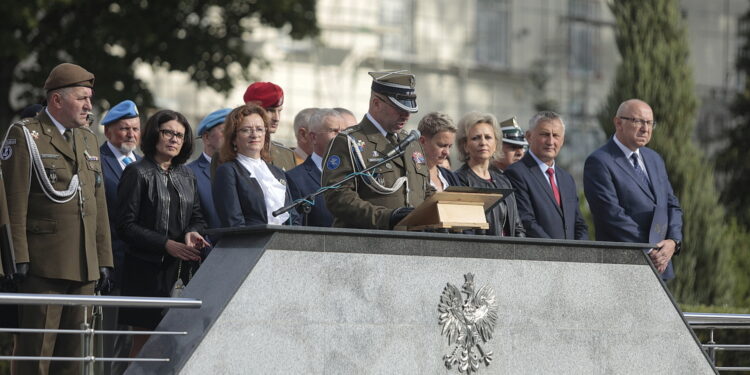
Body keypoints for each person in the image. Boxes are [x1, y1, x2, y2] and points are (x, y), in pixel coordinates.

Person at [1, 63, 113, 375]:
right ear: (57, 101)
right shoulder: (25, 135)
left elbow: (97, 205)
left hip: (84, 265)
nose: (89, 105)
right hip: (42, 266)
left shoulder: (88, 139)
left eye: (90, 98)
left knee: (74, 361)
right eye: (82, 98)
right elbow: (12, 202)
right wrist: (15, 258)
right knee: (36, 357)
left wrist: (103, 259)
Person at [117, 109, 209, 357]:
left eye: (180, 135)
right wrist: (165, 244)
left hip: (180, 271)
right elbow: (125, 226)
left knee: (177, 346)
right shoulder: (137, 172)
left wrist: (192, 233)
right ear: (154, 134)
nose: (174, 139)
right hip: (145, 272)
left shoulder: (187, 175)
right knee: (144, 347)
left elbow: (199, 218)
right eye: (168, 132)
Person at [584, 99, 682, 281]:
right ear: (618, 123)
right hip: (623, 268)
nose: (645, 128)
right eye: (638, 121)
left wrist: (672, 242)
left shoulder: (655, 159)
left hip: (660, 266)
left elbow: (672, 204)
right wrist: (651, 249)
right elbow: (611, 215)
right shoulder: (599, 162)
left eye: (650, 123)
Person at [321, 70, 434, 229]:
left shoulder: (412, 143)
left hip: (413, 243)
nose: (406, 115)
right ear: (376, 103)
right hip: (368, 243)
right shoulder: (348, 141)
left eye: (409, 110)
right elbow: (338, 197)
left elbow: (424, 191)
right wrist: (387, 218)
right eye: (399, 108)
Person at [99, 99, 141, 374]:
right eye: (124, 128)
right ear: (108, 133)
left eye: (135, 128)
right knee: (105, 341)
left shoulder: (144, 163)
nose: (130, 134)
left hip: (140, 265)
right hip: (110, 263)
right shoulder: (96, 163)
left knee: (131, 341)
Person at [505, 111, 588, 240]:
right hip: (540, 256)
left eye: (556, 135)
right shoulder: (516, 173)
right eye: (544, 134)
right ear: (528, 136)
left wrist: (578, 252)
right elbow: (526, 222)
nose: (550, 141)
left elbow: (579, 224)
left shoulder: (567, 178)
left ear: (562, 140)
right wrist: (556, 250)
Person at [213, 104, 299, 227]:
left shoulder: (278, 173)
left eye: (259, 129)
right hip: (250, 244)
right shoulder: (228, 171)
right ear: (233, 138)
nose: (255, 135)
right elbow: (233, 222)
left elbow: (293, 216)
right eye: (246, 130)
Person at [454, 112, 524, 237]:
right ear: (465, 145)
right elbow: (465, 230)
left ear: (496, 144)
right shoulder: (458, 180)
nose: (483, 142)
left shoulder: (504, 181)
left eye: (488, 137)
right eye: (476, 138)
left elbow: (517, 227)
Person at [286, 109, 342, 227]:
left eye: (343, 131)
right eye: (335, 131)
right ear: (314, 137)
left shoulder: (354, 172)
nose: (341, 137)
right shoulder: (295, 178)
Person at [188, 108, 230, 230]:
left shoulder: (243, 170)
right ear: (206, 137)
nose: (231, 137)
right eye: (225, 131)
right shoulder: (189, 173)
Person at [243, 81, 297, 171]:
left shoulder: (287, 155)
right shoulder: (231, 152)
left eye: (279, 111)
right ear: (251, 110)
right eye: (270, 110)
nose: (277, 118)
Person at [417, 112, 461, 191]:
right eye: (441, 145)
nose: (447, 152)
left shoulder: (451, 177)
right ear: (422, 141)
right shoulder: (411, 175)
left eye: (449, 146)